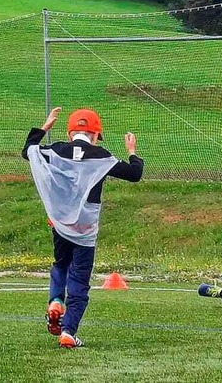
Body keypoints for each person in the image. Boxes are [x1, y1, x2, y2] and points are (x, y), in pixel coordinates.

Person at [22, 107, 143, 348]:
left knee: (61, 265)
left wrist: (43, 128)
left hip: (60, 223)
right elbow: (134, 174)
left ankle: (56, 300)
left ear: (69, 133)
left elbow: (28, 152)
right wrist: (132, 152)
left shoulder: (55, 149)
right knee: (79, 279)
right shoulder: (100, 155)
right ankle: (68, 331)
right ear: (95, 135)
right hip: (85, 227)